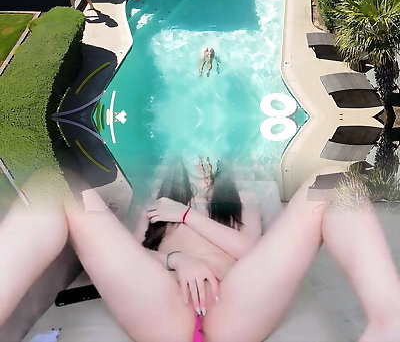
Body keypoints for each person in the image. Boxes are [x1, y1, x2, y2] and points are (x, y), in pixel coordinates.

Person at [2, 167, 400, 342]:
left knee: (332, 182)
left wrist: (186, 215)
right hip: (165, 305)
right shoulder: (156, 200)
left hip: (233, 303)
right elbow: (129, 260)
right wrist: (177, 260)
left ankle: (389, 324)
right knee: (53, 182)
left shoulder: (242, 196)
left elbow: (252, 252)